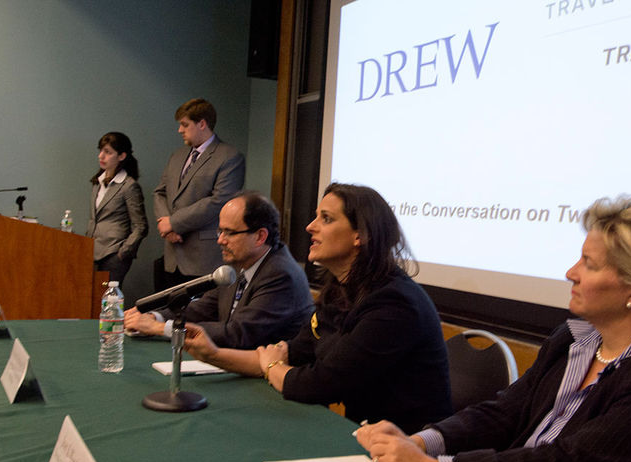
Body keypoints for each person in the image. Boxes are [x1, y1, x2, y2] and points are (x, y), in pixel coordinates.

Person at [356, 195, 631, 462]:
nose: (571, 273)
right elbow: (506, 412)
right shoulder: (572, 340)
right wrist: (424, 442)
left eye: (589, 264)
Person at [182, 183, 453, 433]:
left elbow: (317, 384)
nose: (310, 227)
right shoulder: (340, 291)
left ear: (361, 234)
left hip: (408, 446)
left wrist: (272, 365)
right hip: (364, 435)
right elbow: (294, 354)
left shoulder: (394, 305)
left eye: (326, 219)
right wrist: (213, 354)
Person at [124, 190, 313, 349]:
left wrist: (161, 328)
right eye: (219, 231)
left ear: (260, 236)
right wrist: (153, 316)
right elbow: (203, 308)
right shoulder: (236, 266)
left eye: (229, 233)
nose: (220, 240)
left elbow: (238, 334)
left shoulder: (281, 274)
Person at [154, 98, 245, 289]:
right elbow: (160, 192)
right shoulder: (177, 156)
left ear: (202, 124)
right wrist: (166, 225)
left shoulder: (230, 156)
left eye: (185, 125)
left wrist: (174, 222)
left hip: (204, 260)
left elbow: (220, 201)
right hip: (172, 257)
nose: (180, 130)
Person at [84, 132, 148, 288]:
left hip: (113, 254)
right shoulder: (97, 182)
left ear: (121, 156)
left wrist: (123, 252)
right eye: (101, 151)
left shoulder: (129, 186)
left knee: (107, 299)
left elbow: (141, 226)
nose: (101, 156)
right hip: (93, 250)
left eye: (108, 152)